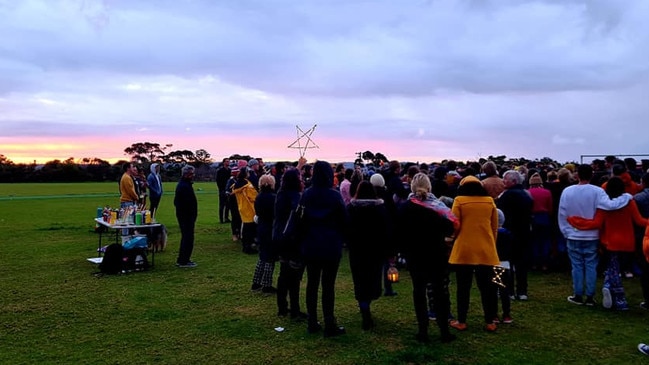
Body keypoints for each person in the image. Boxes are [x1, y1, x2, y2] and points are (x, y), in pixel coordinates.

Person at [567, 177, 647, 310]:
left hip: (610, 242)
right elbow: (639, 221)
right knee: (616, 269)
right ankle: (613, 292)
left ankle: (615, 294)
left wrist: (575, 221)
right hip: (627, 241)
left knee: (613, 269)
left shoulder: (603, 205)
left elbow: (596, 223)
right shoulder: (629, 202)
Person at [559, 164, 632, 306]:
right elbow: (611, 205)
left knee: (577, 266)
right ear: (591, 175)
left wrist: (565, 231)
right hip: (591, 235)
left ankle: (578, 295)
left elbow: (562, 213)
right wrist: (627, 196)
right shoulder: (597, 191)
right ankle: (590, 296)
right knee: (591, 265)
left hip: (573, 234)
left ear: (577, 175)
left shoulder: (567, 191)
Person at [398, 173, 458, 342]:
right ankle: (444, 330)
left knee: (419, 291)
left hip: (415, 255)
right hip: (436, 253)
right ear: (429, 187)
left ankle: (422, 330)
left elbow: (399, 232)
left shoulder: (405, 208)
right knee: (439, 291)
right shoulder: (437, 208)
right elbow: (448, 228)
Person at [299, 161, 348, 337]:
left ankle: (312, 321)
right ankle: (329, 322)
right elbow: (344, 220)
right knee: (328, 286)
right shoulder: (334, 196)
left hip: (311, 245)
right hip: (330, 245)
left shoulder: (307, 194)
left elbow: (301, 220)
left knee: (312, 284)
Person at [448, 175, 500, 332]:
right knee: (488, 288)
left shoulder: (459, 200)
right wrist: (491, 243)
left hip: (464, 250)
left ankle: (462, 321)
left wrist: (452, 240)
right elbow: (494, 227)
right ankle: (490, 321)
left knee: (463, 288)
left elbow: (455, 224)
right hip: (486, 249)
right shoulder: (490, 201)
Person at [346, 180, 392, 330]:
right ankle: (366, 306)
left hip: (357, 250)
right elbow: (386, 230)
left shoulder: (351, 208)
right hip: (375, 250)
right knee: (372, 279)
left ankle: (364, 306)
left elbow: (346, 228)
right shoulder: (380, 209)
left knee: (359, 280)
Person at [273, 168, 307, 320]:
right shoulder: (295, 196)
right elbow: (299, 216)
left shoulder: (280, 193)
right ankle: (294, 310)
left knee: (284, 273)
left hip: (280, 238)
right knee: (294, 276)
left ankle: (282, 307)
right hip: (292, 239)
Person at [497, 170, 533, 300]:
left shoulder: (506, 195)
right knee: (521, 264)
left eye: (505, 179)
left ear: (513, 181)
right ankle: (522, 291)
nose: (503, 181)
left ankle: (508, 290)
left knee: (506, 262)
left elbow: (499, 212)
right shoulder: (527, 195)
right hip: (524, 233)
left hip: (509, 232)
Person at [251, 175, 278, 294]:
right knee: (270, 258)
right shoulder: (274, 197)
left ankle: (256, 283)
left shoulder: (259, 197)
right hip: (270, 228)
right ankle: (267, 285)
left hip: (261, 227)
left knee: (262, 256)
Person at [528, 173, 553, 272]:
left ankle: (534, 263)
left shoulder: (528, 192)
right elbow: (550, 207)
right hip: (544, 217)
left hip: (532, 218)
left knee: (534, 241)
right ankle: (544, 264)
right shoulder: (547, 192)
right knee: (545, 241)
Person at [174, 165, 198, 268]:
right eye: (192, 174)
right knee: (188, 238)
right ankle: (183, 260)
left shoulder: (185, 184)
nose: (193, 176)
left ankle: (184, 259)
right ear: (187, 174)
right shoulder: (184, 186)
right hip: (186, 216)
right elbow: (182, 203)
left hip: (186, 216)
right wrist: (190, 214)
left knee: (187, 237)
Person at [232, 167, 258, 254]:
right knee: (250, 229)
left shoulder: (236, 184)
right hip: (250, 208)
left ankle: (245, 246)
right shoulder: (247, 184)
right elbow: (253, 196)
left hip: (242, 207)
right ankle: (249, 247)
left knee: (245, 228)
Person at [494, 209, 514, 324]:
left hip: (494, 263)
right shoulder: (507, 234)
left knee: (493, 290)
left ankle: (494, 314)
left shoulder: (493, 234)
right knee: (504, 290)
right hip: (505, 264)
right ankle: (506, 314)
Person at [215, 158, 232, 224]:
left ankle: (226, 218)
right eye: (227, 161)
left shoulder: (230, 171)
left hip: (228, 190)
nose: (228, 163)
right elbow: (218, 181)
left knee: (228, 205)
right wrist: (221, 189)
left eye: (229, 161)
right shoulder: (220, 171)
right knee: (222, 205)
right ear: (224, 162)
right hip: (222, 190)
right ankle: (221, 219)